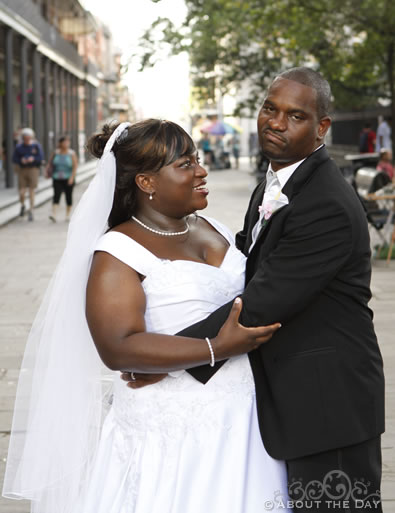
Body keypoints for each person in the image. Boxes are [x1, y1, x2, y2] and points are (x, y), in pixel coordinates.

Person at [126, 68, 385, 511]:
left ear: (322, 127)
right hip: (294, 396)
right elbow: (249, 259)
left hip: (329, 401)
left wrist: (167, 356)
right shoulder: (277, 180)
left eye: (296, 115)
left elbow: (263, 300)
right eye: (270, 108)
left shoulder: (325, 203)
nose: (276, 122)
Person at [3, 119, 287, 513]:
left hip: (245, 420)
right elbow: (119, 347)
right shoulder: (117, 252)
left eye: (198, 160)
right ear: (146, 183)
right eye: (185, 164)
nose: (201, 171)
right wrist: (214, 347)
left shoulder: (212, 226)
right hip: (173, 431)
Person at [12, 127, 44, 221]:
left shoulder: (36, 146)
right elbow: (14, 158)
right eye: (25, 137)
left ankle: (31, 209)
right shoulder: (19, 147)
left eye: (28, 137)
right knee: (22, 192)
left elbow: (40, 157)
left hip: (33, 169)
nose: (27, 139)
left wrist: (33, 159)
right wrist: (21, 160)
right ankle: (22, 205)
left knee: (31, 191)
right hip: (22, 170)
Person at [46, 135, 78, 222]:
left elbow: (75, 166)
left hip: (68, 177)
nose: (67, 143)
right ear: (60, 143)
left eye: (68, 142)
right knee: (56, 195)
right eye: (65, 142)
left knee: (68, 196)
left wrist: (72, 177)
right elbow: (50, 163)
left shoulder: (71, 153)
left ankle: (67, 215)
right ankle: (54, 214)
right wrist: (47, 171)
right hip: (57, 177)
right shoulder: (56, 152)